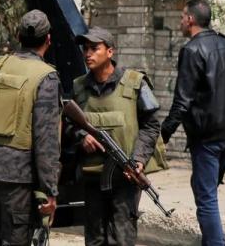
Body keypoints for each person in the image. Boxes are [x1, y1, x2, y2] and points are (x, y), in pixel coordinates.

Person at [161, 0, 225, 246]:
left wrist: (162, 135)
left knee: (206, 198)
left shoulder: (192, 50)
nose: (181, 21)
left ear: (191, 19)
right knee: (204, 188)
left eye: (183, 16)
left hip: (208, 136)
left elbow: (182, 102)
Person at [69, 26, 167, 246]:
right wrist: (81, 135)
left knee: (121, 239)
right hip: (93, 176)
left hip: (125, 177)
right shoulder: (79, 87)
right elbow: (68, 125)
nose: (88, 54)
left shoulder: (135, 83)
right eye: (85, 49)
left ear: (110, 52)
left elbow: (151, 125)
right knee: (95, 239)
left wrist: (139, 160)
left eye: (94, 48)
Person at [0, 9, 61, 246]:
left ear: (18, 36)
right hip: (18, 177)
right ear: (48, 40)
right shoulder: (46, 76)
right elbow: (46, 140)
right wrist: (50, 190)